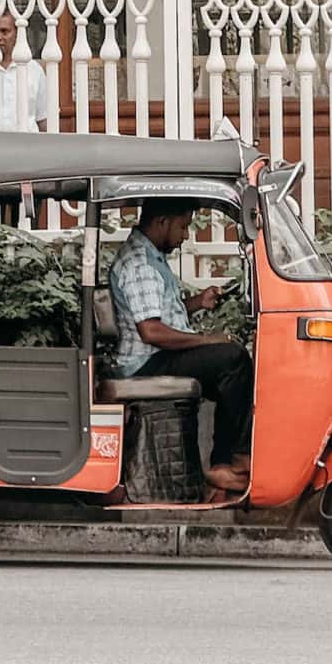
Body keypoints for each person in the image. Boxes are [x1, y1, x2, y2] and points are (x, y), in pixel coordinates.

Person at [106, 197, 251, 498]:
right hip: (147, 363)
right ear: (162, 222)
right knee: (232, 360)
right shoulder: (140, 264)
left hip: (159, 356)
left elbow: (155, 313)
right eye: (183, 226)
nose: (185, 235)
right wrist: (209, 341)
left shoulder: (151, 258)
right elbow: (152, 331)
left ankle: (231, 461)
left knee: (233, 369)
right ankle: (226, 464)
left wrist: (198, 303)